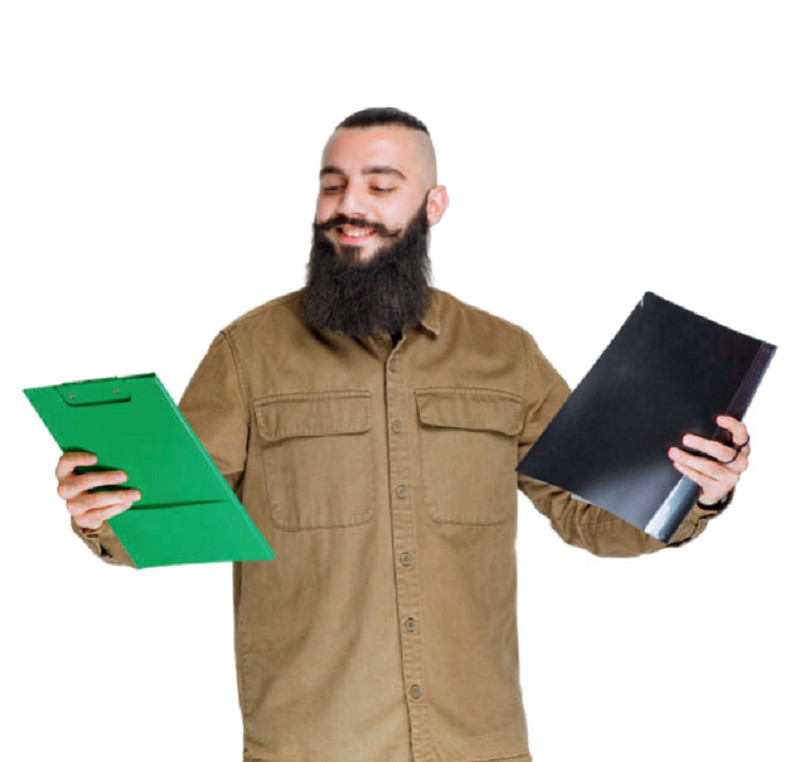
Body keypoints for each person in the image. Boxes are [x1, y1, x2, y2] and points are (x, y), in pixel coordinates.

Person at [54, 107, 751, 762]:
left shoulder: (505, 355)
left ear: (433, 205)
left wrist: (699, 491)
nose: (349, 206)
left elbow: (590, 516)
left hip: (477, 742)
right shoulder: (248, 354)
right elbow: (164, 518)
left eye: (380, 186)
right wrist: (100, 510)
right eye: (333, 185)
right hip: (312, 744)